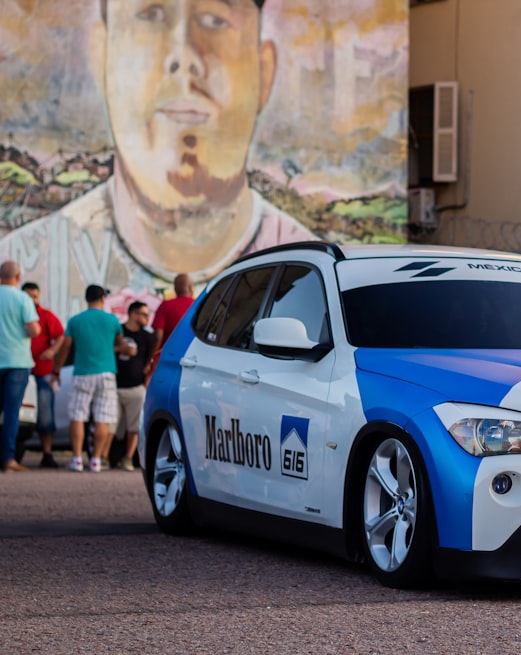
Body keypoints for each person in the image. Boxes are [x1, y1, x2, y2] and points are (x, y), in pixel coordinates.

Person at [0, 0, 315, 322]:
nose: (184, 57)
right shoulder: (28, 254)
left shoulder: (314, 273)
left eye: (214, 20)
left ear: (264, 70)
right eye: (149, 16)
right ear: (101, 57)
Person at [52, 284, 127, 473]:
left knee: (77, 416)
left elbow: (66, 347)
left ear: (87, 299)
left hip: (82, 372)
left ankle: (77, 459)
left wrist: (56, 371)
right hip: (107, 372)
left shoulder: (75, 321)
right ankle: (96, 460)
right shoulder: (112, 320)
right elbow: (119, 343)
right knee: (102, 417)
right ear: (103, 298)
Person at [0, 261, 41, 473]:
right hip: (17, 362)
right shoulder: (22, 298)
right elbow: (34, 330)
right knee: (12, 411)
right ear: (17, 277)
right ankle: (8, 459)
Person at [21, 282, 66, 469]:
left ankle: (47, 453)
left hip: (42, 372)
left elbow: (61, 335)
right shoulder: (17, 313)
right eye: (28, 296)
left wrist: (52, 350)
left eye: (35, 296)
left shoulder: (46, 316)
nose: (32, 300)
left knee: (46, 415)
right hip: (21, 370)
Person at [114, 301, 154, 471]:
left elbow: (150, 360)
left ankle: (129, 458)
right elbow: (108, 349)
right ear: (133, 314)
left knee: (134, 426)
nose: (147, 318)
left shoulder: (147, 337)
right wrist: (120, 349)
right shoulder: (119, 331)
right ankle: (107, 457)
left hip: (136, 387)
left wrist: (147, 379)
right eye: (144, 314)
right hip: (114, 386)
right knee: (113, 427)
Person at [152, 273, 196, 353]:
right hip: (191, 354)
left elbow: (158, 336)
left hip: (169, 354)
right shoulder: (199, 306)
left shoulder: (165, 305)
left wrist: (151, 356)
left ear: (175, 288)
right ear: (190, 288)